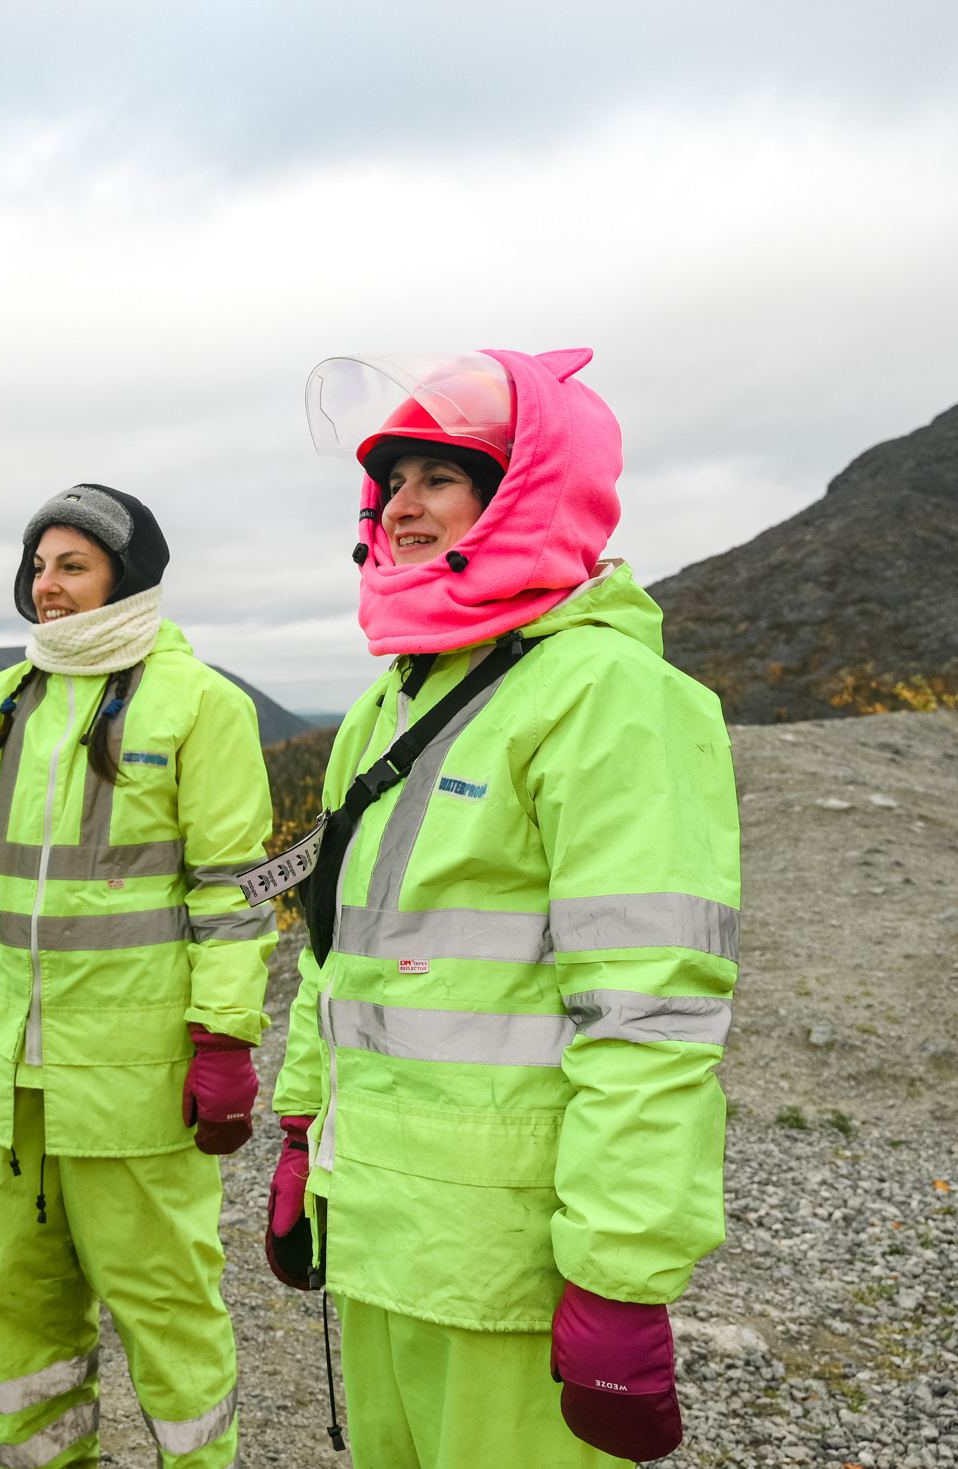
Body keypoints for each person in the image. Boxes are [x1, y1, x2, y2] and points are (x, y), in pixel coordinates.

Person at [260, 348, 739, 1467]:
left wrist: (620, 1271)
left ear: (523, 491)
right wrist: (299, 1131)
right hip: (378, 1222)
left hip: (510, 1263)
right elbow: (337, 953)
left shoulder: (610, 695)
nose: (404, 505)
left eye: (443, 476)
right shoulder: (389, 697)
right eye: (393, 482)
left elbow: (651, 1011)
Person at [0, 485, 276, 1469]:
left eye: (73, 564)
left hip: (132, 1079)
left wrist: (226, 1036)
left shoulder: (201, 704)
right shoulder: (7, 697)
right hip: (11, 1082)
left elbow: (233, 890)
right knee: (14, 1308)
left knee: (168, 1310)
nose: (47, 587)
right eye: (38, 565)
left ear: (125, 576)